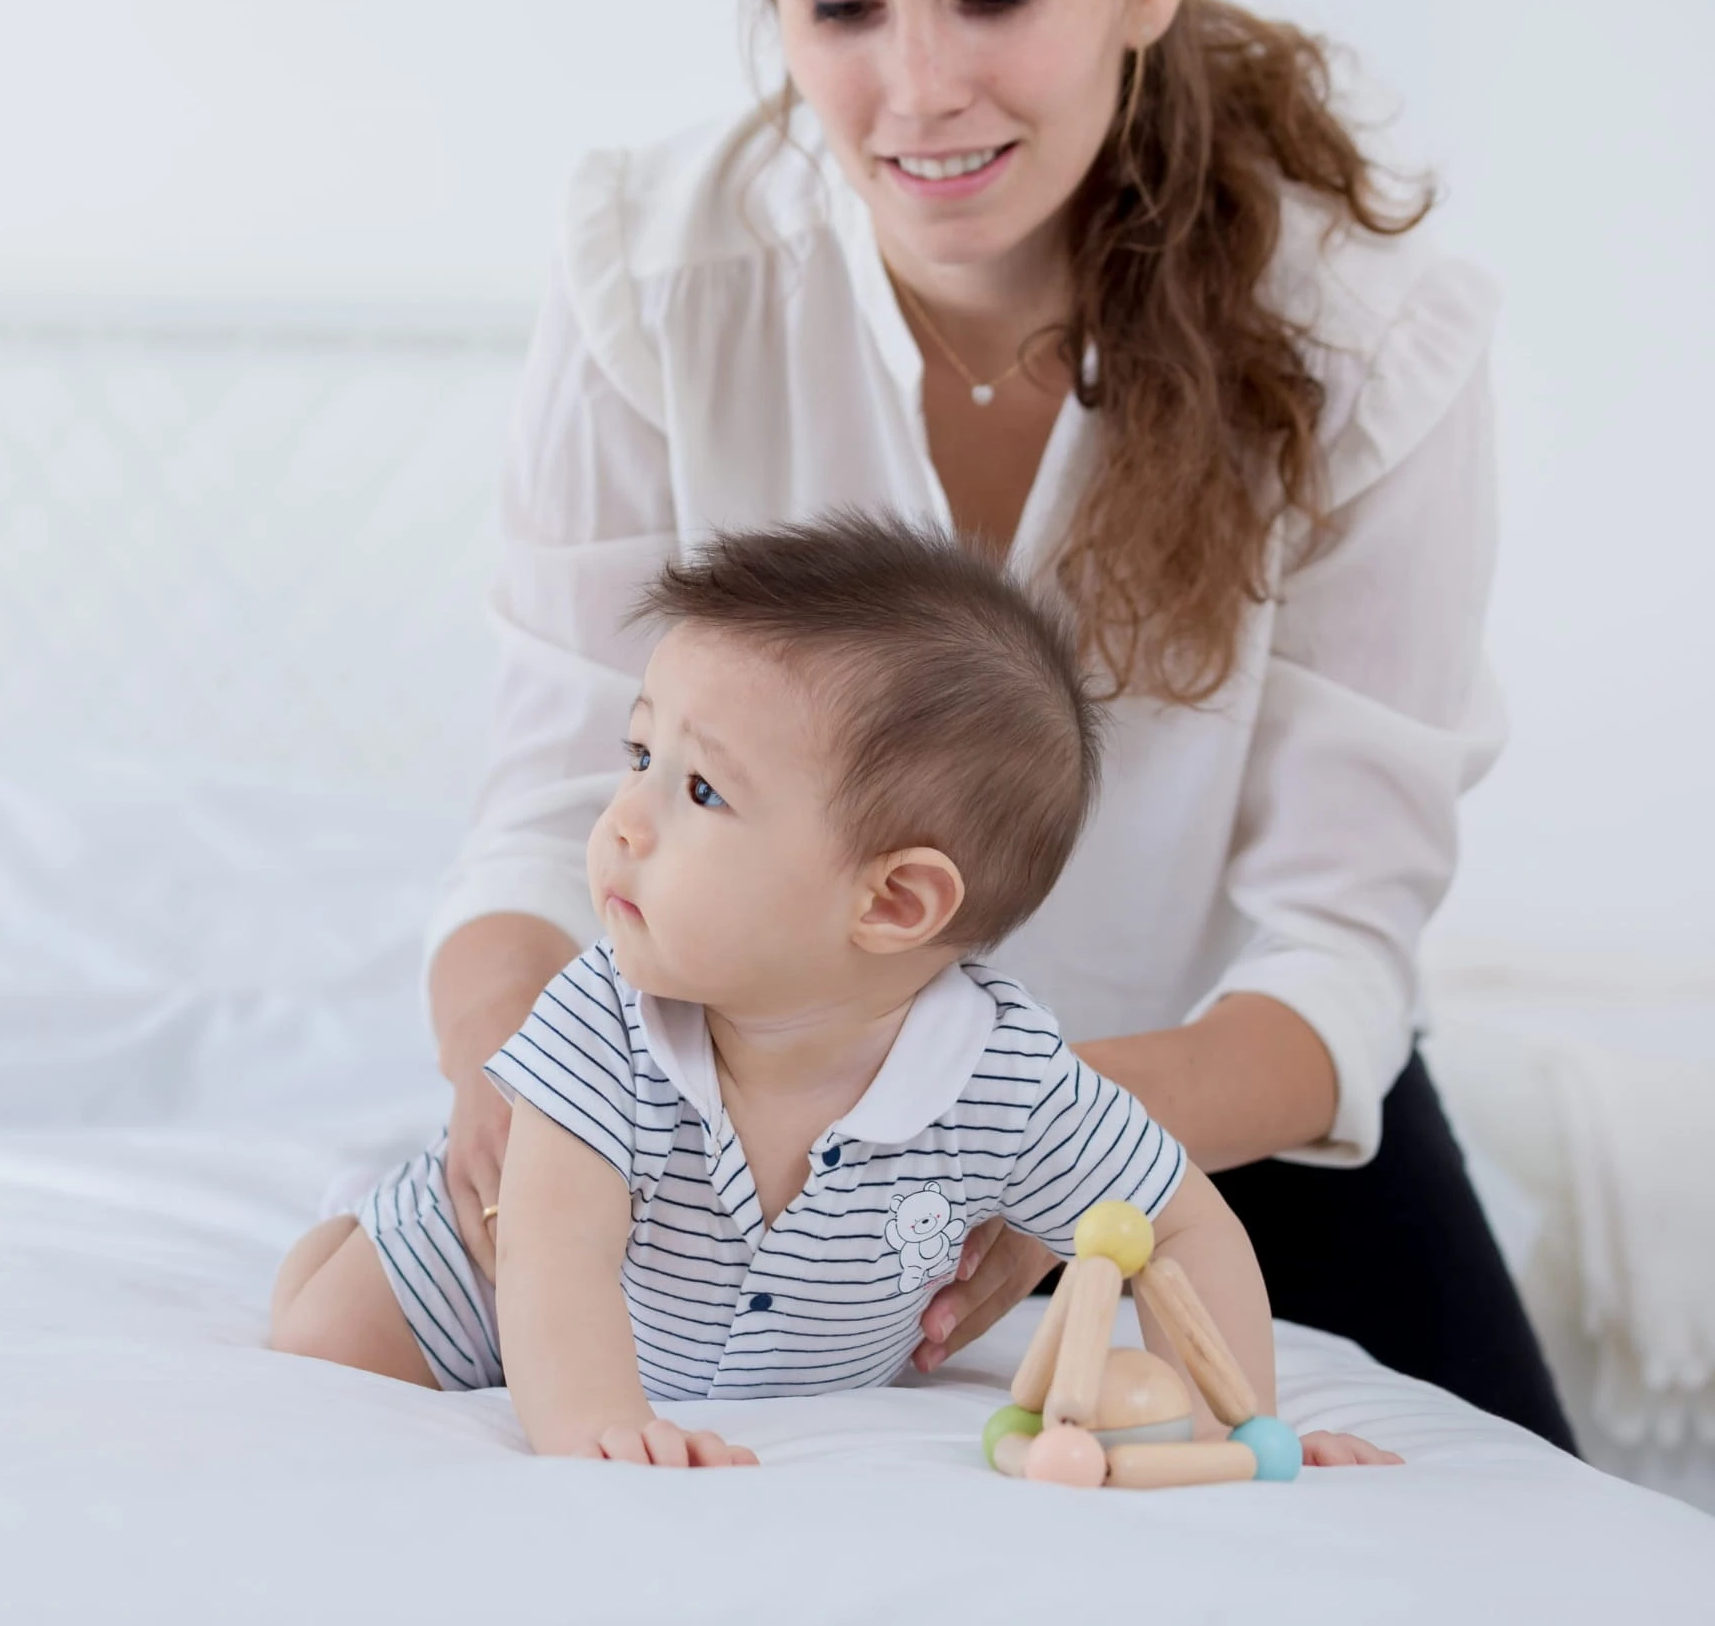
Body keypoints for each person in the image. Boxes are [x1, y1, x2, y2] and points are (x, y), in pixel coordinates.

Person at [415, 0, 1573, 1446]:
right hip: (722, 1131)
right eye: (838, 3)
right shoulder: (652, 271)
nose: (918, 89)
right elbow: (552, 816)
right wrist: (530, 1094)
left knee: (1503, 1540)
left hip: (1205, 1122)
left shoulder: (1371, 341)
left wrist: (1020, 1138)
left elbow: (1333, 949)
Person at [271, 517, 1398, 1471]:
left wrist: (1233, 1425)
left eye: (701, 790)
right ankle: (349, 1223)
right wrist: (600, 1430)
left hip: (768, 1360)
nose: (622, 821)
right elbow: (556, 1252)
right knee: (322, 1336)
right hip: (489, 1273)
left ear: (895, 901)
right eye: (640, 754)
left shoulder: (1006, 1079)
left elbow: (1179, 1221)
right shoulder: (602, 1015)